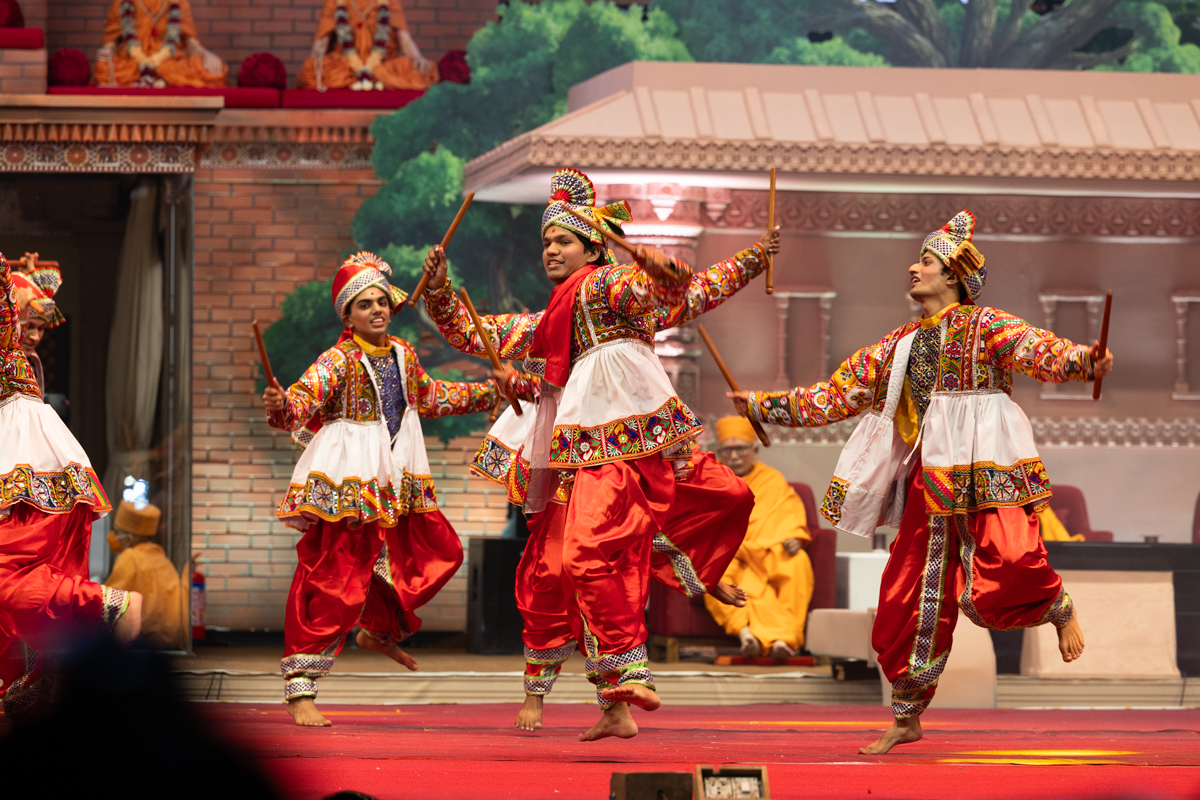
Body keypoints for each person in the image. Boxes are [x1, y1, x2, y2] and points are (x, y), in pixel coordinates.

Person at [731, 211, 1113, 754]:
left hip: (988, 468)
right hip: (931, 478)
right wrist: (764, 405)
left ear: (954, 275)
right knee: (907, 597)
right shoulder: (900, 345)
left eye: (926, 261)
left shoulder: (989, 327)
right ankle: (907, 715)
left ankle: (1057, 605)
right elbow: (838, 393)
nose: (914, 268)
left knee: (1010, 558)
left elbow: (1039, 350)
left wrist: (1083, 362)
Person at [420, 167, 779, 741]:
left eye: (562, 240)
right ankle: (615, 698)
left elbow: (675, 293)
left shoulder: (605, 286)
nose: (550, 252)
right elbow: (474, 330)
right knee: (569, 567)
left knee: (599, 552)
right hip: (589, 448)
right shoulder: (554, 319)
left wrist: (736, 262)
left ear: (592, 245)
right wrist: (439, 290)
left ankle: (634, 670)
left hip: (630, 435)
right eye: (545, 243)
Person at [262, 251, 501, 728]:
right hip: (349, 478)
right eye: (365, 304)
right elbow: (300, 401)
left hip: (395, 474)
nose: (377, 310)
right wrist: (282, 404)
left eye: (381, 302)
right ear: (347, 317)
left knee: (440, 550)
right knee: (335, 581)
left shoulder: (403, 354)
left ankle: (375, 628)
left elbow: (430, 397)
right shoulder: (339, 359)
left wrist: (490, 390)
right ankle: (300, 689)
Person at [0, 252, 143, 717]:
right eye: (31, 324)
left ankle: (103, 605)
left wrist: (9, 276)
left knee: (9, 574)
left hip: (25, 473)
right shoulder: (20, 364)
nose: (35, 336)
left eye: (40, 328)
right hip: (38, 471)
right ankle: (27, 682)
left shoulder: (7, 356)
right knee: (35, 573)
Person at [706, 416, 813, 659]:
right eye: (727, 450)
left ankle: (782, 640)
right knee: (712, 575)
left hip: (767, 554)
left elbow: (789, 515)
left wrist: (795, 537)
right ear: (718, 451)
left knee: (798, 565)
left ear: (754, 450)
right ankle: (748, 635)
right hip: (729, 554)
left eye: (740, 449)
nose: (734, 456)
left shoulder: (772, 480)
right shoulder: (711, 480)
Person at [104, 481, 188, 650]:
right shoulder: (162, 560)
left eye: (118, 532)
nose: (113, 536)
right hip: (170, 644)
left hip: (141, 644)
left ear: (131, 538)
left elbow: (109, 604)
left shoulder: (129, 558)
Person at [297, 0, 439, 91]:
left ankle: (377, 77)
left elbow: (405, 40)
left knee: (425, 72)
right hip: (346, 68)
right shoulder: (335, 1)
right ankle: (371, 79)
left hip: (384, 66)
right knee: (310, 70)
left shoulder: (390, 1)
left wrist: (417, 57)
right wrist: (316, 63)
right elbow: (321, 43)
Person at [94, 0, 228, 88]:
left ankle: (157, 79)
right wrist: (106, 53)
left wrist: (207, 55)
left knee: (215, 72)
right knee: (103, 70)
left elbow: (191, 43)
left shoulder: (178, 1)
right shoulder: (122, 1)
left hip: (170, 64)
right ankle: (158, 80)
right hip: (133, 65)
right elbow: (110, 44)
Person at [11, 254, 64, 395]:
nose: (35, 337)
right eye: (28, 327)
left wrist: (29, 274)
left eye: (41, 328)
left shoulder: (31, 362)